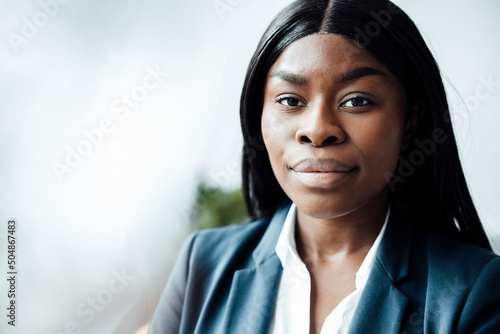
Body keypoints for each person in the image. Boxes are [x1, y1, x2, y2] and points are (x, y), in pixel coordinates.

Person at [148, 0, 500, 333]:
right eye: (290, 100)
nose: (317, 130)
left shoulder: (475, 291)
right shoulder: (202, 265)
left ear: (410, 122)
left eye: (357, 100)